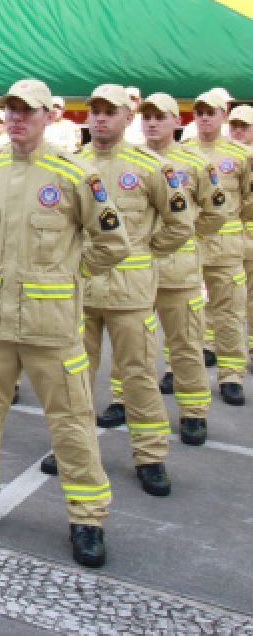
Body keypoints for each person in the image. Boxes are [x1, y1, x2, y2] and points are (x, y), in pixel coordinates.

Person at [0, 78, 129, 569]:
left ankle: (87, 518)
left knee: (72, 421)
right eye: (11, 110)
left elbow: (112, 242)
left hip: (52, 324)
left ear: (49, 117)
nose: (17, 118)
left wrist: (72, 275)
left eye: (28, 111)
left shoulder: (74, 175)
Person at [74, 84, 192, 496]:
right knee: (75, 377)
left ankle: (150, 455)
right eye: (96, 111)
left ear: (128, 117)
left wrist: (144, 252)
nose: (101, 118)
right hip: (81, 291)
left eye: (111, 111)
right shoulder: (71, 165)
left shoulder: (151, 166)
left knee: (139, 375)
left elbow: (179, 225)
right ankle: (76, 449)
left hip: (130, 292)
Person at [132, 93, 226, 445]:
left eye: (160, 117)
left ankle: (193, 412)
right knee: (134, 348)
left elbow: (217, 211)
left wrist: (185, 236)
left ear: (176, 121)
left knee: (185, 344)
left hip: (178, 271)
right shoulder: (130, 161)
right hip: (135, 273)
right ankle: (124, 401)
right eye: (148, 117)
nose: (152, 123)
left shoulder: (196, 163)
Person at [184, 90, 253, 404]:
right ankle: (180, 371)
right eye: (199, 113)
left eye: (210, 112)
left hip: (226, 247)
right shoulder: (181, 152)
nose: (204, 118)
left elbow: (249, 202)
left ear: (223, 115)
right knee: (185, 315)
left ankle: (231, 375)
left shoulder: (241, 155)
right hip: (188, 246)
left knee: (228, 314)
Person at [227, 105, 253, 368]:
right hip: (231, 243)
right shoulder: (227, 156)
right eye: (234, 125)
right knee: (224, 303)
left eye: (244, 126)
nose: (238, 131)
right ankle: (212, 346)